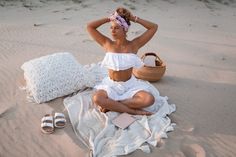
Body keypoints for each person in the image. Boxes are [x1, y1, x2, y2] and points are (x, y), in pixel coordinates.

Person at [87, 7, 158, 115]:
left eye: (116, 28)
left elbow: (153, 27)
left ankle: (112, 105)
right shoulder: (107, 43)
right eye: (111, 28)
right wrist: (109, 18)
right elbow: (90, 27)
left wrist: (134, 18)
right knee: (97, 99)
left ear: (125, 29)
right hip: (111, 85)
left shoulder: (134, 45)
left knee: (149, 100)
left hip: (130, 85)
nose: (112, 31)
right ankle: (133, 111)